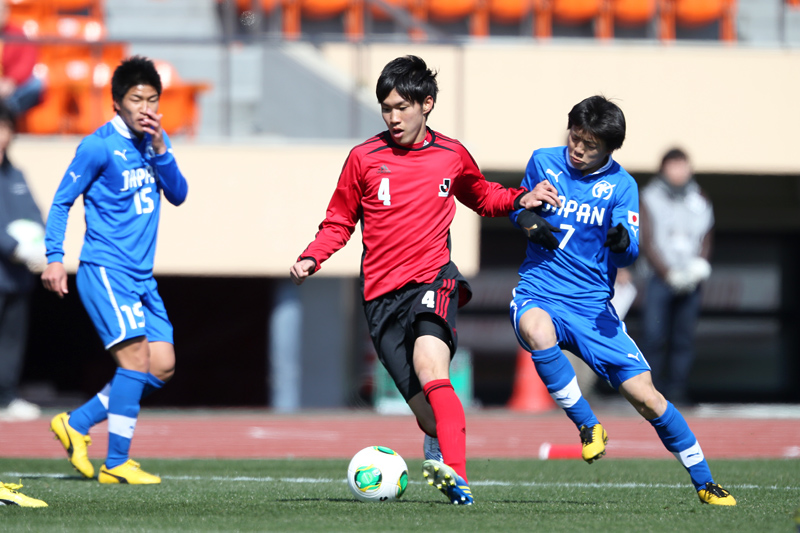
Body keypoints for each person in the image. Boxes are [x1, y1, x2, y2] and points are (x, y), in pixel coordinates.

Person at [289, 55, 555, 506]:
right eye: (386, 108)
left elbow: (484, 196)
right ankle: (437, 444)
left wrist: (520, 198)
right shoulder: (363, 158)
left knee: (434, 368)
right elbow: (339, 220)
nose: (393, 117)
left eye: (402, 107)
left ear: (426, 103)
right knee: (429, 416)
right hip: (380, 297)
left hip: (435, 280)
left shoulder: (451, 154)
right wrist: (313, 256)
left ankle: (459, 479)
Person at [507, 95, 735, 505]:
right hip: (541, 288)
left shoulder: (623, 186)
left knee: (647, 397)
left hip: (594, 306)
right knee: (535, 330)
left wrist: (621, 241)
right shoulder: (543, 160)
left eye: (589, 145)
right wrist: (525, 218)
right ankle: (588, 425)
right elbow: (520, 205)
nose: (578, 148)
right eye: (575, 138)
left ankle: (705, 482)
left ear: (610, 149)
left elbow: (631, 251)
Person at [42, 56, 188, 485]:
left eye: (153, 99)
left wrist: (162, 148)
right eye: (136, 98)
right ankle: (117, 462)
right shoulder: (97, 146)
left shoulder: (154, 142)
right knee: (136, 361)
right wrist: (54, 257)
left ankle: (76, 423)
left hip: (143, 276)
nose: (146, 107)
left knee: (161, 365)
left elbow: (178, 194)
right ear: (117, 103)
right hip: (106, 270)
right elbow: (61, 201)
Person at [640, 148, 713, 406]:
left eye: (682, 165)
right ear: (663, 169)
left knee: (684, 338)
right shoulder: (649, 196)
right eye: (673, 165)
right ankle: (651, 393)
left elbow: (706, 234)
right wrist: (667, 273)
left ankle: (678, 391)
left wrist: (699, 265)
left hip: (691, 278)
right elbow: (646, 239)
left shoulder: (699, 196)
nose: (679, 171)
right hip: (661, 278)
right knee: (654, 335)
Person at [0, 99, 46, 421]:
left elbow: (34, 215)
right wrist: (14, 247)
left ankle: (7, 396)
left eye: (5, 128)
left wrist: (39, 245)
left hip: (16, 277)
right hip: (5, 265)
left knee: (12, 341)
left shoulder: (16, 175)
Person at [0, 2, 44, 118]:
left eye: (2, 10)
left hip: (11, 87)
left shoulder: (17, 33)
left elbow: (27, 62)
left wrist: (11, 81)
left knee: (36, 84)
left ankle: (8, 114)